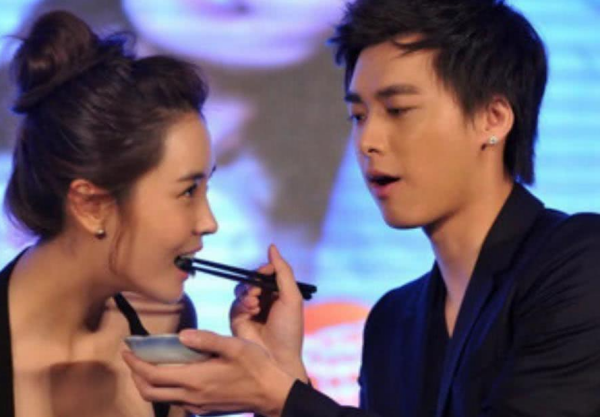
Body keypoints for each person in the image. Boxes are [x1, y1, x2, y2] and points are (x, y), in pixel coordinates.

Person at [122, 0, 600, 416]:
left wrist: (283, 398)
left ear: (492, 118)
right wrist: (286, 377)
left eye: (398, 110)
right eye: (358, 115)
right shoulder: (393, 320)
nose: (368, 141)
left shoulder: (578, 262)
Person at [0, 10, 220, 417]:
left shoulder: (163, 331)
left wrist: (278, 382)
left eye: (206, 188)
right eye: (188, 192)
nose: (209, 222)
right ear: (91, 205)